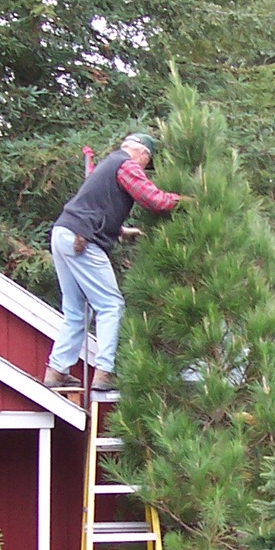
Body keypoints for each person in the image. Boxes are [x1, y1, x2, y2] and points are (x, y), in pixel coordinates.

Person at [43, 133, 189, 392]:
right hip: (82, 239)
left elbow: (96, 205)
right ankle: (105, 372)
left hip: (63, 232)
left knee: (76, 310)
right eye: (147, 162)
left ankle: (57, 371)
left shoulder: (107, 165)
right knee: (111, 305)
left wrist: (120, 231)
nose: (145, 168)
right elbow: (153, 200)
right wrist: (185, 201)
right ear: (142, 153)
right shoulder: (127, 165)